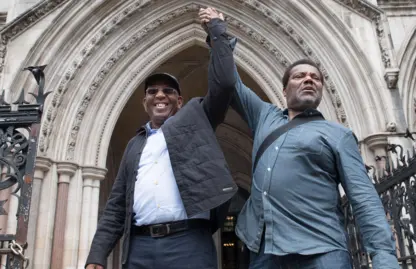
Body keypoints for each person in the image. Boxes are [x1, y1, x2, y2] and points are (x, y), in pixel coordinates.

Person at [201, 20, 400, 269]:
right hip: (264, 251)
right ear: (284, 90)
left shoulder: (338, 135)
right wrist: (217, 34)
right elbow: (231, 84)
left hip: (321, 250)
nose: (309, 80)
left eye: (315, 78)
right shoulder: (265, 116)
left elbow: (363, 198)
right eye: (300, 76)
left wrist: (384, 257)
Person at [85, 8, 238, 269]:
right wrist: (96, 257)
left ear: (179, 101)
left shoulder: (196, 118)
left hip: (188, 243)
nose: (159, 95)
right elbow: (116, 207)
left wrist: (217, 32)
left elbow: (224, 84)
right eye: (152, 91)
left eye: (168, 91)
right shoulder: (135, 146)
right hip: (140, 248)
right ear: (144, 101)